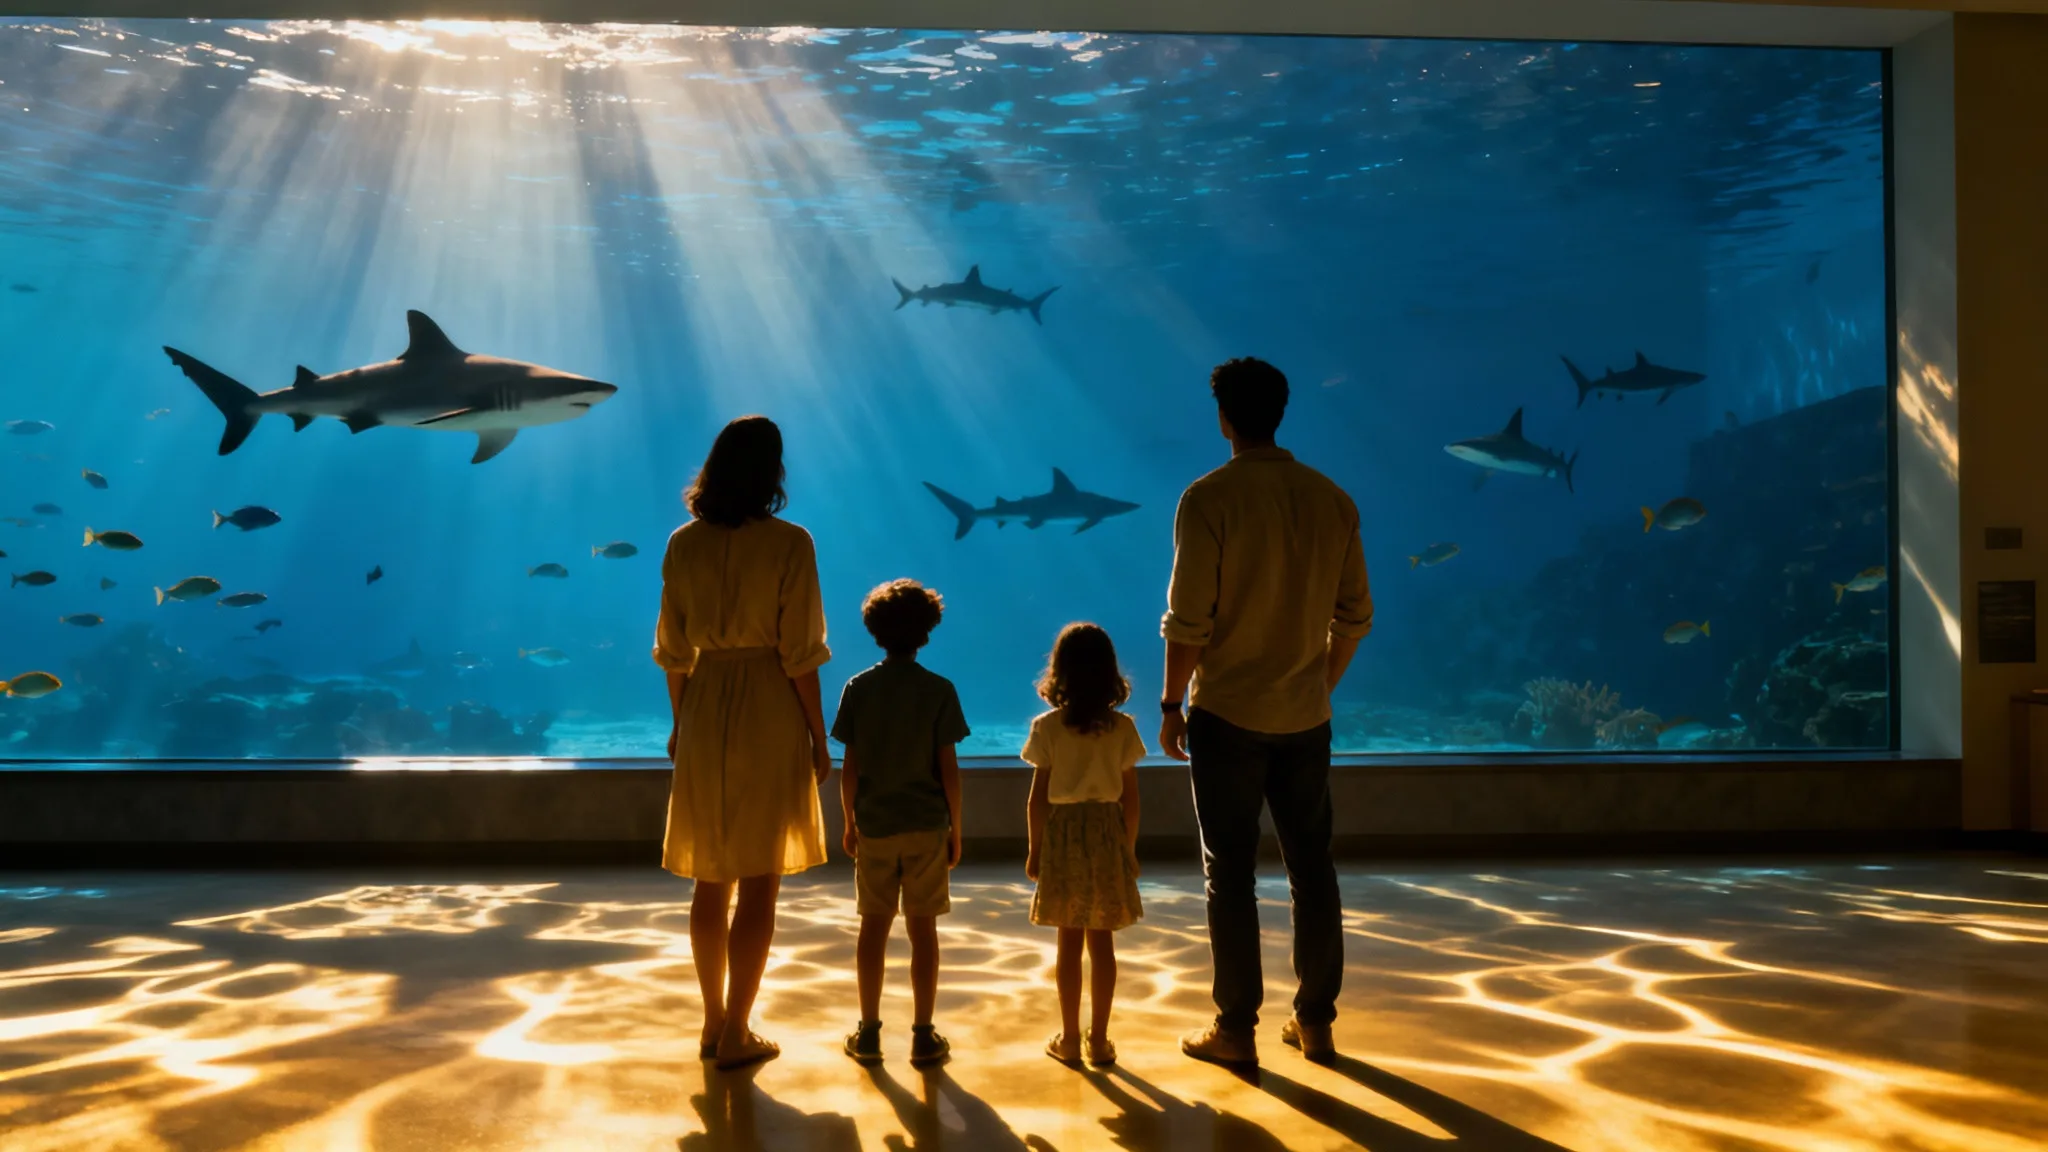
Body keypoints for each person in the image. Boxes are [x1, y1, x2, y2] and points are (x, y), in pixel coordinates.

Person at [1158, 357, 1373, 1069]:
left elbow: (1188, 620)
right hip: (1304, 718)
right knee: (1314, 867)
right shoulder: (1333, 499)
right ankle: (1316, 1024)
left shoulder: (1206, 499)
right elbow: (1355, 616)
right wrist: (1320, 683)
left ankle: (1236, 1031)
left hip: (1226, 713)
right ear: (1281, 411)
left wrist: (1169, 702)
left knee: (1232, 875)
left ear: (1223, 417)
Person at [654, 415, 834, 1071]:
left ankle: (710, 1023)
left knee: (710, 878)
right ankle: (738, 1028)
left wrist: (681, 722)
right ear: (773, 471)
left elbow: (672, 652)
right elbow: (801, 653)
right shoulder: (791, 542)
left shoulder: (682, 543)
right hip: (768, 702)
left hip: (703, 702)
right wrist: (818, 736)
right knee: (760, 882)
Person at [833, 578, 968, 1068]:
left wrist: (849, 821)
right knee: (923, 931)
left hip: (875, 825)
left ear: (874, 630)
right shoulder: (938, 690)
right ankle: (923, 1034)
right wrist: (956, 827)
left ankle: (868, 1033)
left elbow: (851, 767)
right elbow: (948, 768)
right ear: (928, 630)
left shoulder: (859, 688)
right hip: (927, 825)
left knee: (873, 928)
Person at [1023, 622, 1145, 1069]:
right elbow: (1130, 798)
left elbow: (1037, 799)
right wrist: (1128, 849)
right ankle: (1100, 1039)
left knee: (1068, 944)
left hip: (1063, 835)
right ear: (1110, 672)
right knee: (1103, 944)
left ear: (1060, 672)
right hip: (1108, 833)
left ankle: (1070, 1038)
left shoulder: (1047, 728)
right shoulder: (1123, 729)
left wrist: (1035, 851)